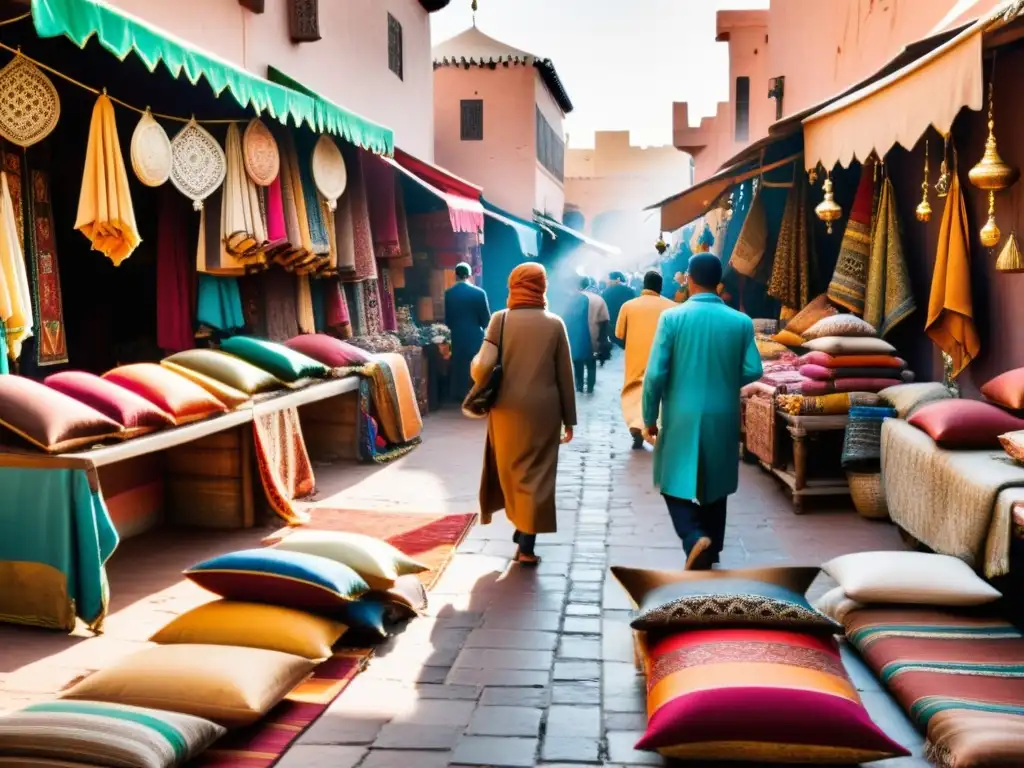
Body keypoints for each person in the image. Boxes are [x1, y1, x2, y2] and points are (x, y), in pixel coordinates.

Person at [642, 253, 762, 570]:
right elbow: (754, 369)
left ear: (690, 280)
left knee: (670, 478)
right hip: (723, 411)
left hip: (681, 412)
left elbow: (654, 375)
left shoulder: (672, 319)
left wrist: (648, 417)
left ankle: (694, 537)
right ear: (718, 282)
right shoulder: (741, 322)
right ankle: (714, 546)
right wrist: (724, 380)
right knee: (716, 478)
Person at [471, 262, 576, 565]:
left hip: (506, 409)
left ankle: (523, 535)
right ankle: (526, 540)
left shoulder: (499, 321)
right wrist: (569, 420)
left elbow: (482, 367)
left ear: (513, 284)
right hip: (545, 410)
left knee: (512, 469)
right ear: (542, 286)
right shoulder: (555, 323)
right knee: (538, 475)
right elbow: (564, 375)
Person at [616, 271, 676, 450]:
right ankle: (655, 428)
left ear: (644, 285)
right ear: (661, 287)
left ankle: (636, 429)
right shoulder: (672, 307)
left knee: (635, 391)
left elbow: (619, 334)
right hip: (663, 357)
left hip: (635, 356)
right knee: (661, 391)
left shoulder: (628, 306)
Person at [444, 262, 491, 403]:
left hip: (457, 335)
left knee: (459, 364)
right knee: (475, 364)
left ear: (455, 275)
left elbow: (447, 319)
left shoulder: (449, 294)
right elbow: (486, 319)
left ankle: (460, 395)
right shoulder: (479, 293)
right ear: (470, 275)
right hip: (475, 335)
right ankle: (476, 394)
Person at [563, 277, 599, 393]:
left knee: (578, 361)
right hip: (592, 334)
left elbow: (566, 318)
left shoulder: (572, 299)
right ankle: (590, 387)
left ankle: (579, 386)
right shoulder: (595, 299)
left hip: (576, 335)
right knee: (591, 362)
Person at [602, 272, 636, 347]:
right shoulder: (629, 290)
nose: (608, 282)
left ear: (617, 279)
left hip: (613, 329)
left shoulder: (605, 293)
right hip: (628, 326)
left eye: (610, 280)